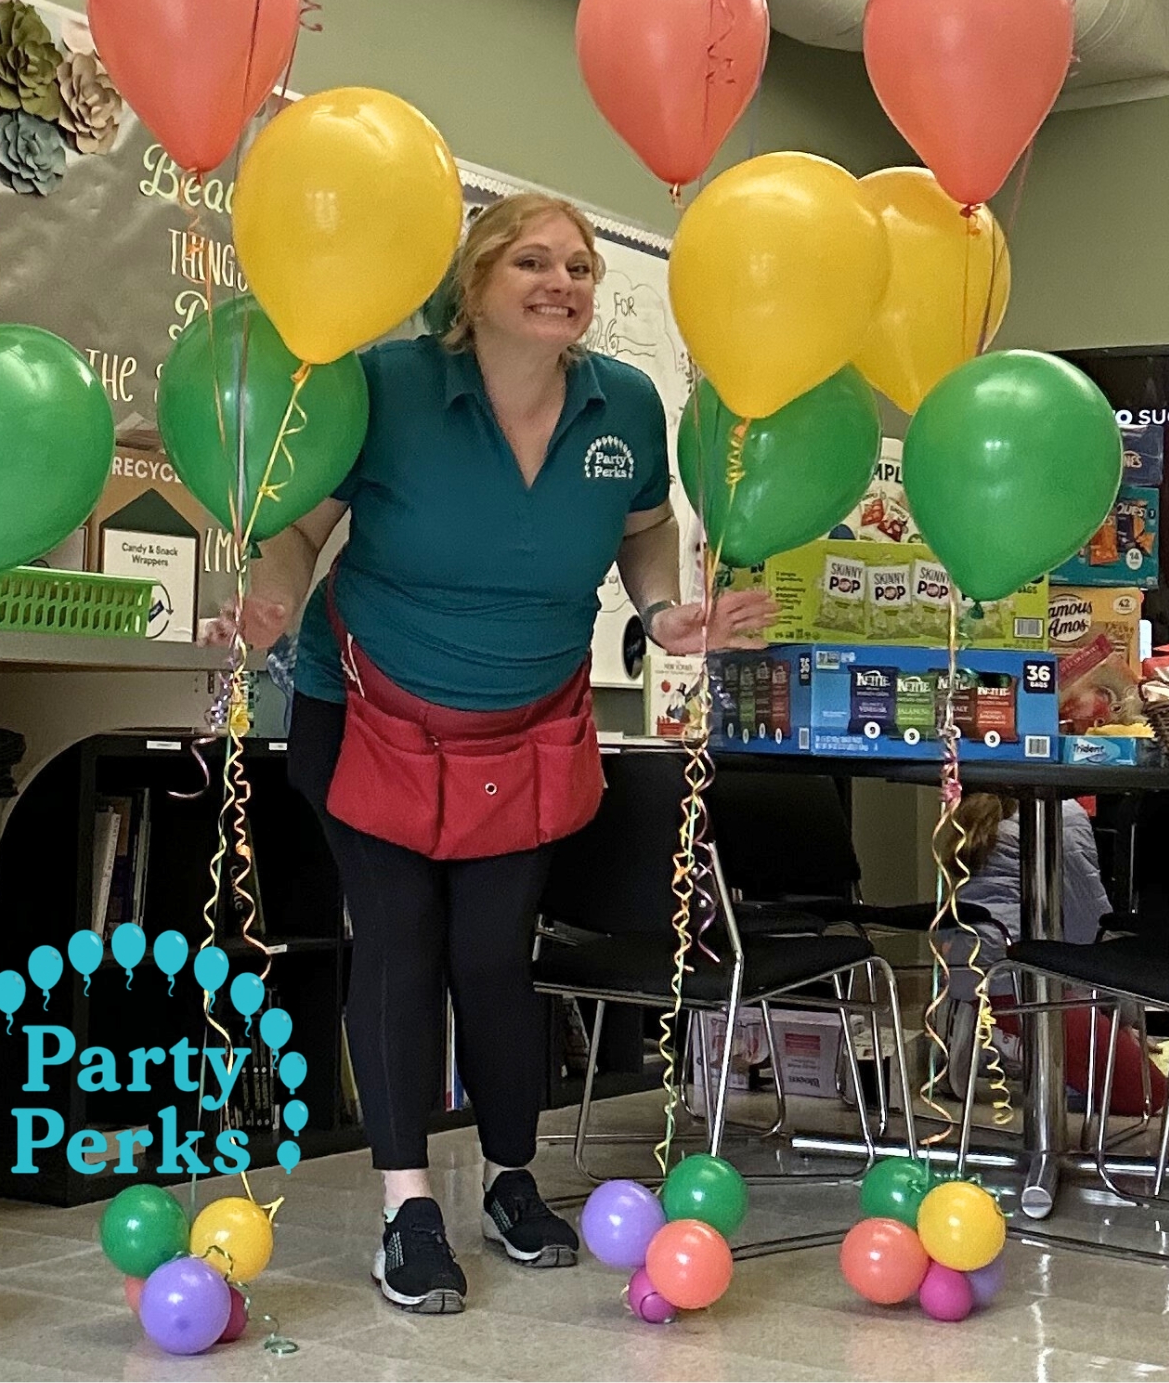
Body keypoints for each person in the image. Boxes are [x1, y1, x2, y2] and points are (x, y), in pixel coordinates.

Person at [213, 193, 773, 1314]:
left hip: (524, 729)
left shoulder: (626, 403)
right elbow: (299, 528)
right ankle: (406, 1205)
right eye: (531, 260)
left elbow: (644, 528)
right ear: (472, 283)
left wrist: (666, 614)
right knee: (401, 941)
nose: (562, 281)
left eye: (578, 265)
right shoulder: (388, 386)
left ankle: (511, 1179)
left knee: (494, 954)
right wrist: (269, 599)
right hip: (367, 713)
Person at [946, 793, 1163, 1117]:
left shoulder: (973, 812)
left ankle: (999, 1037)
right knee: (1149, 1095)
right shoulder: (1064, 813)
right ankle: (1022, 1046)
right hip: (1024, 984)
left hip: (970, 974)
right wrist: (1124, 1016)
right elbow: (1092, 927)